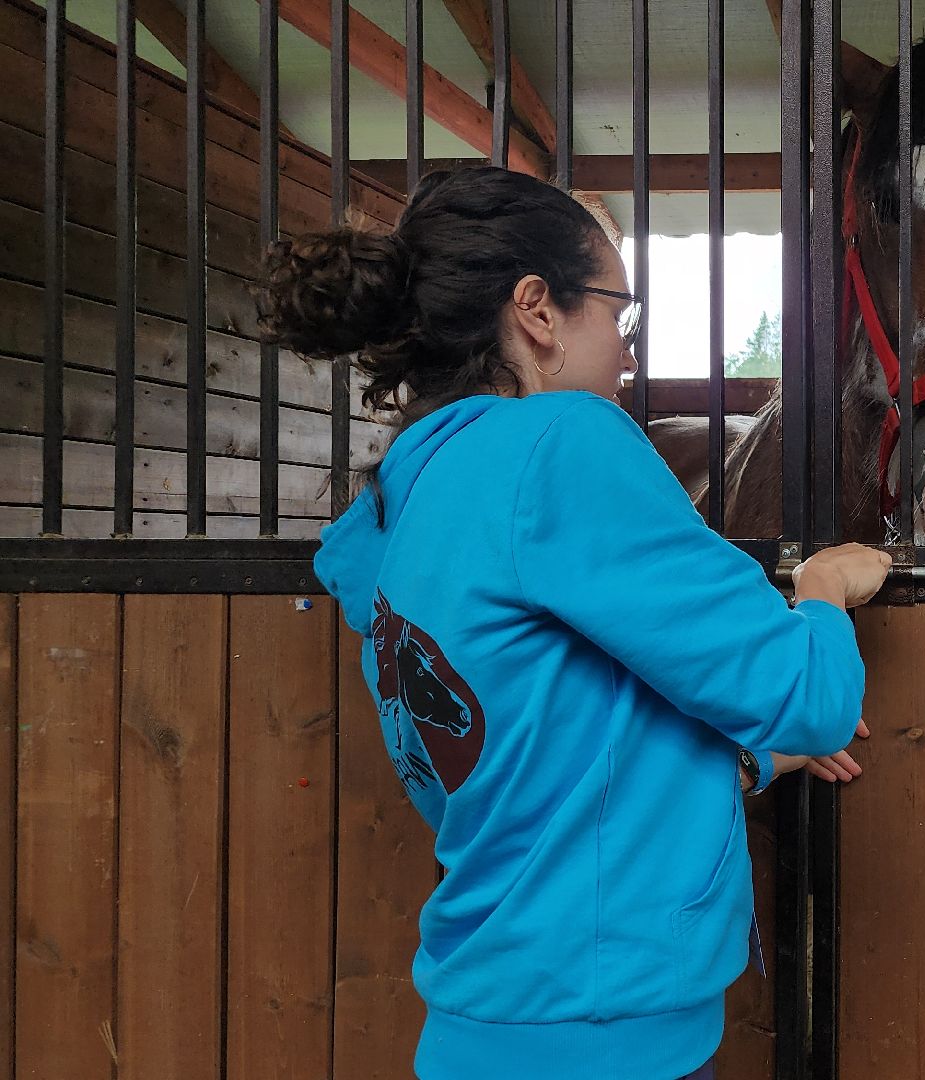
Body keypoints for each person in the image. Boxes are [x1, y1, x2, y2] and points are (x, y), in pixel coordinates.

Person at [257, 165, 890, 1079]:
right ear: (537, 311)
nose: (629, 353)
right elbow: (809, 696)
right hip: (607, 1039)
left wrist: (746, 756)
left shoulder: (413, 495)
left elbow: (549, 769)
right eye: (617, 314)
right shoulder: (559, 444)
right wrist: (823, 594)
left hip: (489, 1026)